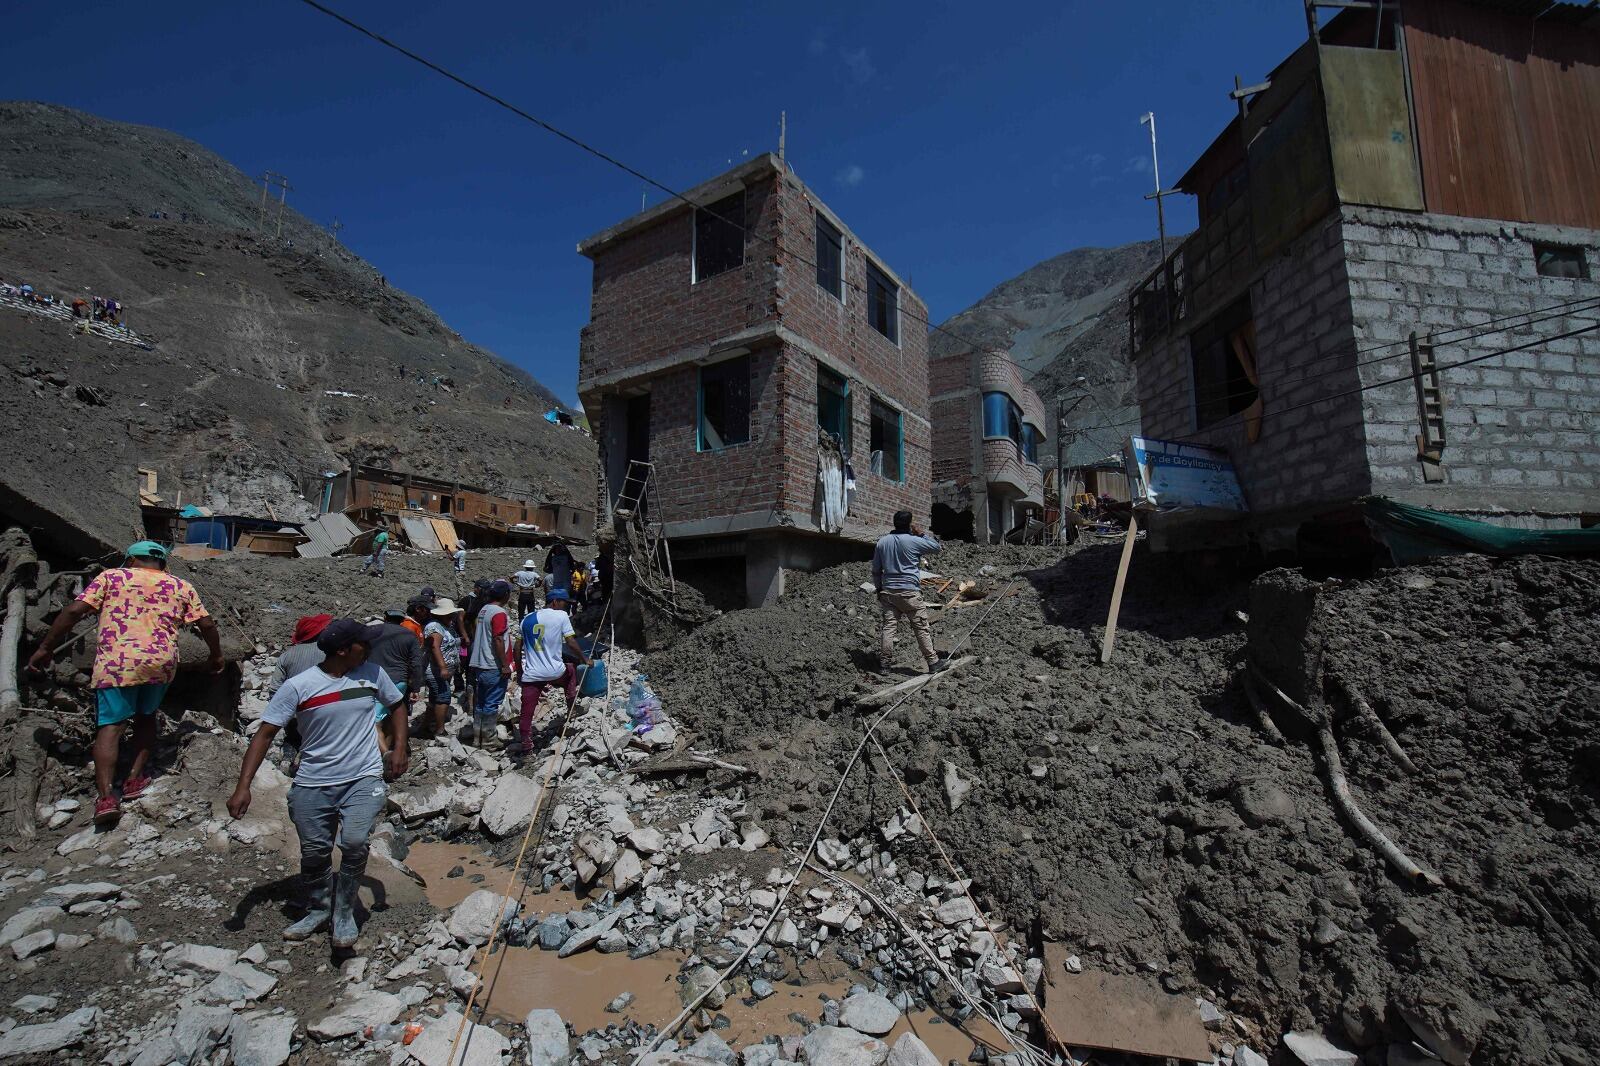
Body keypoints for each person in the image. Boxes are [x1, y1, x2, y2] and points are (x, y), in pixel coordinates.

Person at [227, 619, 406, 948]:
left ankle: (344, 912)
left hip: (363, 777)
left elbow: (396, 704)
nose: (369, 648)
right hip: (314, 781)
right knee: (315, 851)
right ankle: (320, 907)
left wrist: (399, 749)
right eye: (363, 643)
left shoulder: (372, 674)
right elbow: (265, 735)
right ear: (342, 650)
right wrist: (244, 786)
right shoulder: (300, 686)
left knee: (353, 842)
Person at [28, 541, 223, 825]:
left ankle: (106, 797)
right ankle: (134, 780)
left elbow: (73, 611)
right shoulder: (181, 586)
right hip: (161, 663)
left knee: (111, 726)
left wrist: (46, 648)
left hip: (119, 662)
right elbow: (206, 624)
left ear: (131, 560)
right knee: (146, 717)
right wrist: (215, 655)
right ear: (162, 563)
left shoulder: (111, 577)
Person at [513, 588, 593, 756]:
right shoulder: (561, 616)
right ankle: (571, 707)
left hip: (532, 675)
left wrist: (520, 672)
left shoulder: (526, 619)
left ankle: (527, 749)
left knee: (526, 713)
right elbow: (570, 642)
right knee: (570, 670)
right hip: (555, 672)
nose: (565, 607)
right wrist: (585, 660)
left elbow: (517, 647)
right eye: (564, 603)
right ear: (555, 602)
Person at [872, 511, 948, 674]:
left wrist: (879, 589)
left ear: (894, 523)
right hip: (910, 592)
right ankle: (933, 662)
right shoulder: (914, 541)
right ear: (909, 524)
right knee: (921, 627)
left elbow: (876, 570)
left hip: (888, 592)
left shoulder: (882, 543)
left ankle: (884, 665)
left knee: (889, 628)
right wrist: (921, 533)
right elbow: (937, 547)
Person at [367, 610, 425, 752]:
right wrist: (416, 687)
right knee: (392, 716)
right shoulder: (409, 635)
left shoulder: (372, 632)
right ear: (401, 620)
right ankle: (389, 750)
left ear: (385, 618)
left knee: (374, 721)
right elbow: (417, 664)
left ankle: (383, 755)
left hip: (374, 680)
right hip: (399, 682)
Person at [466, 581, 514, 749]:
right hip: (493, 664)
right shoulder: (499, 613)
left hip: (480, 663)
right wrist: (505, 665)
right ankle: (488, 740)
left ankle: (477, 737)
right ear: (505, 595)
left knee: (481, 703)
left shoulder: (484, 609)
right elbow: (498, 638)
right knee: (491, 703)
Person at [419, 598, 462, 739]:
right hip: (436, 670)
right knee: (443, 697)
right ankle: (440, 730)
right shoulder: (434, 627)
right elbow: (434, 647)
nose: (452, 617)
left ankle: (424, 727)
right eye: (449, 614)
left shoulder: (446, 626)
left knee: (434, 698)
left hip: (445, 670)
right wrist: (443, 667)